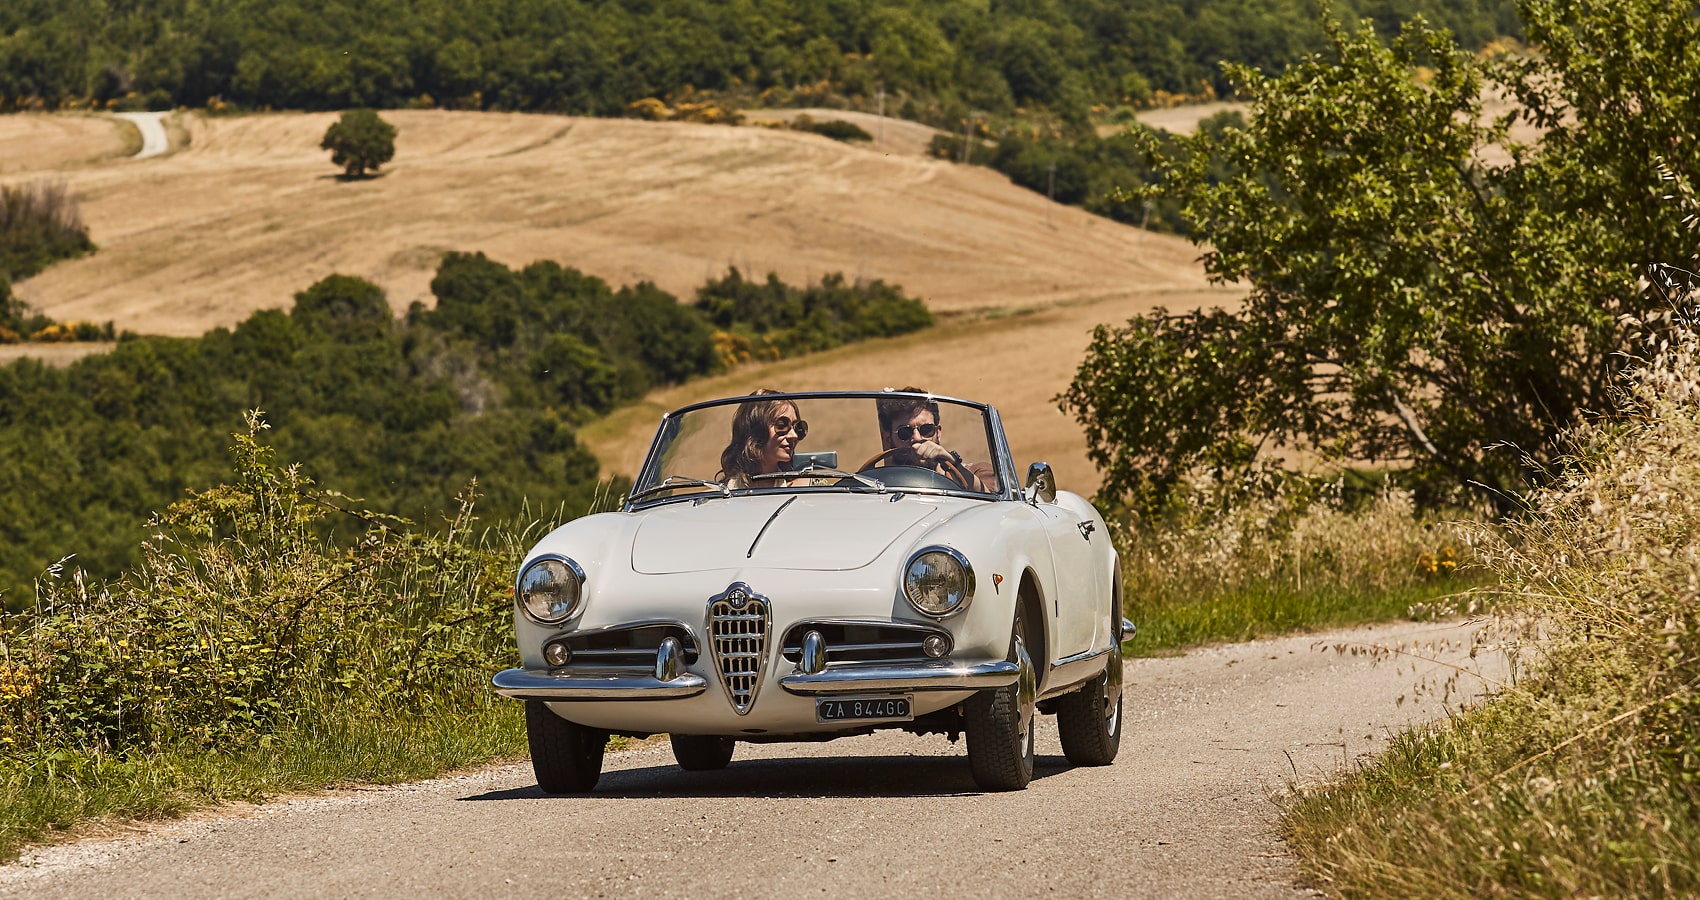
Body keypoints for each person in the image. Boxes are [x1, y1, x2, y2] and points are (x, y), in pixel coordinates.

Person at [873, 387, 994, 491]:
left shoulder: (977, 472)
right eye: (905, 432)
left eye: (926, 429)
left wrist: (951, 460)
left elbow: (992, 504)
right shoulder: (875, 483)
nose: (917, 438)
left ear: (938, 432)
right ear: (888, 439)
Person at [718, 389, 807, 488]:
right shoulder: (714, 498)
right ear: (756, 431)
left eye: (797, 427)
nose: (794, 435)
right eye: (781, 425)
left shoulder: (805, 488)